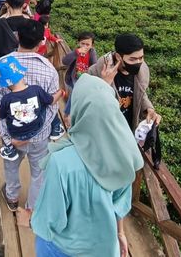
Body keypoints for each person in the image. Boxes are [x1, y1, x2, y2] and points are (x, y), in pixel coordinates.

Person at [29, 74, 143, 256]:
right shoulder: (125, 153)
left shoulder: (61, 161)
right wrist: (120, 233)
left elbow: (48, 221)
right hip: (105, 249)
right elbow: (119, 204)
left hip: (65, 250)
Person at [0, 20, 60, 212]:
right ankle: (32, 207)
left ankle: (12, 199)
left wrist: (9, 138)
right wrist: (37, 131)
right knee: (39, 172)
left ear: (17, 37)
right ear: (40, 43)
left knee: (11, 166)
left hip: (13, 136)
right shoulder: (48, 69)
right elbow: (52, 108)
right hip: (39, 137)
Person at [0, 55, 66, 161]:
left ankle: (9, 148)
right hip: (37, 128)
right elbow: (52, 101)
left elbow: (0, 117)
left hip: (16, 135)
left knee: (5, 124)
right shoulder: (36, 90)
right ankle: (56, 127)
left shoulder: (6, 99)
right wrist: (60, 92)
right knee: (45, 104)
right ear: (22, 73)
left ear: (6, 84)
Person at [88, 34, 161, 130]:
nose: (138, 62)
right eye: (132, 59)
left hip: (129, 128)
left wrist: (148, 108)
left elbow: (140, 93)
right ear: (119, 57)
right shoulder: (94, 72)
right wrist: (105, 84)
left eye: (141, 57)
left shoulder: (141, 71)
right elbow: (89, 106)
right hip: (107, 129)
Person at [62, 31, 98, 128]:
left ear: (92, 45)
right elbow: (64, 61)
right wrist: (76, 53)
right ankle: (67, 114)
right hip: (75, 77)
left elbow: (95, 66)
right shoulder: (76, 51)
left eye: (87, 44)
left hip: (86, 78)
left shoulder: (92, 52)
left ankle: (71, 114)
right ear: (78, 43)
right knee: (75, 92)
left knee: (77, 93)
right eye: (82, 43)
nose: (85, 46)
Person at [0, 0, 30, 64]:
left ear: (7, 4)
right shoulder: (31, 24)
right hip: (26, 65)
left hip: (5, 66)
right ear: (24, 4)